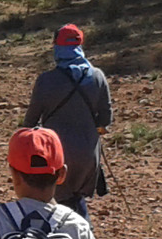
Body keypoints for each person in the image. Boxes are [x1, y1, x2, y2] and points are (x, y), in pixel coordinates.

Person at [21, 24, 115, 222]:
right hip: (88, 154)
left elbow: (30, 121)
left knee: (55, 204)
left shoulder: (46, 80)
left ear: (57, 47)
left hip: (55, 154)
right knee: (77, 200)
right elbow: (105, 119)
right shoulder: (97, 76)